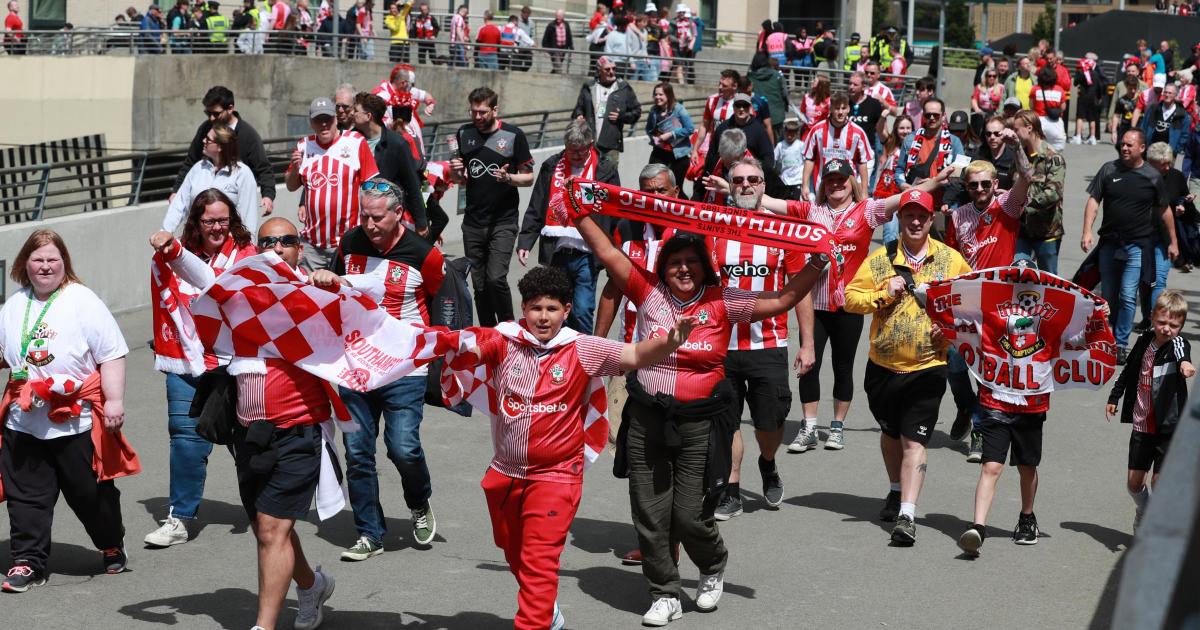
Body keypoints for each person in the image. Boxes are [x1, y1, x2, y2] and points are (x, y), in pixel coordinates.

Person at [573, 156, 826, 626]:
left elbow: (784, 298)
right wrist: (576, 208)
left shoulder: (723, 300)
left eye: (692, 262)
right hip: (647, 416)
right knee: (649, 511)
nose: (683, 269)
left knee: (690, 514)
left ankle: (712, 567)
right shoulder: (646, 291)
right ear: (663, 267)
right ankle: (664, 591)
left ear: (704, 268)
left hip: (699, 422)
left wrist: (817, 261)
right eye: (675, 263)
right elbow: (607, 254)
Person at [445, 265, 695, 630]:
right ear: (523, 310)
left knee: (538, 559)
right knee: (514, 551)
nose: (542, 317)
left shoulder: (582, 347)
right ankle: (547, 611)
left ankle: (534, 620)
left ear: (566, 310)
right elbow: (462, 347)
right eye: (535, 308)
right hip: (504, 474)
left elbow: (635, 355)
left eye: (551, 309)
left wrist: (670, 342)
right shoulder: (504, 341)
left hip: (557, 476)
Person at [220, 217, 349, 630]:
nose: (277, 247)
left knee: (273, 528)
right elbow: (200, 281)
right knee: (266, 525)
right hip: (250, 433)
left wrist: (334, 285)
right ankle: (311, 585)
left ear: (299, 248)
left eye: (286, 241)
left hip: (299, 430)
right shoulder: (241, 294)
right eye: (267, 241)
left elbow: (359, 317)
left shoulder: (315, 292)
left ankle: (264, 626)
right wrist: (172, 252)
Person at [0, 230, 136, 593]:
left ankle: (110, 542)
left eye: (52, 259)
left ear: (65, 264)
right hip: (24, 419)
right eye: (37, 259)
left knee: (90, 494)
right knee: (25, 496)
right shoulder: (14, 304)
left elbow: (111, 353)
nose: (45, 266)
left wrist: (115, 401)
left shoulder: (82, 300)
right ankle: (27, 562)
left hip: (74, 418)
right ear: (24, 264)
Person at [320, 177, 444, 561]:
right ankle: (369, 533)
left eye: (377, 218)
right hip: (356, 365)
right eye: (364, 216)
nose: (369, 225)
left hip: (405, 367)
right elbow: (334, 288)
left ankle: (419, 503)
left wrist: (441, 360)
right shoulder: (350, 242)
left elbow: (444, 303)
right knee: (357, 450)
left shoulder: (425, 254)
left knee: (402, 447)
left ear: (398, 214)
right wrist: (326, 280)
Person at [844, 187, 972, 545]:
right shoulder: (880, 259)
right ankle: (895, 488)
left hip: (928, 368)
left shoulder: (950, 260)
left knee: (913, 440)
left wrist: (947, 324)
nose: (915, 221)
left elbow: (971, 304)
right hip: (882, 368)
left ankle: (907, 516)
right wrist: (884, 292)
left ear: (932, 220)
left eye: (922, 216)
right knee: (890, 435)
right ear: (899, 219)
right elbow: (850, 299)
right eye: (908, 215)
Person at [143, 190, 257, 549]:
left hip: (232, 363)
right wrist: (171, 252)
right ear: (196, 221)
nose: (217, 227)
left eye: (223, 219)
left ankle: (265, 508)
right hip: (185, 361)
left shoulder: (246, 255)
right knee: (185, 437)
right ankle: (180, 517)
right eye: (209, 220)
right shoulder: (173, 257)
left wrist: (175, 252)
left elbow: (217, 284)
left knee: (247, 439)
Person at [956, 253, 1065, 557]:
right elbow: (959, 313)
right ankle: (978, 526)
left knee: (1027, 467)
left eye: (1027, 280)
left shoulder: (1050, 312)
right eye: (1015, 280)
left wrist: (1100, 310)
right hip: (995, 400)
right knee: (991, 465)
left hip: (1031, 403)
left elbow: (1078, 331)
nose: (1020, 285)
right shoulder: (989, 306)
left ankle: (1027, 517)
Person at [1081, 129, 1179, 360]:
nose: (1124, 148)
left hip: (1136, 246)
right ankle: (1109, 336)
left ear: (1142, 148)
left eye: (1129, 145)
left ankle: (1120, 343)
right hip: (1109, 245)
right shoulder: (1108, 169)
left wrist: (1173, 242)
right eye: (1122, 144)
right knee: (1109, 295)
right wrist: (1087, 231)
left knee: (1127, 295)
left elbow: (1165, 210)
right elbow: (1094, 199)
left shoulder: (1151, 176)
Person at [517, 120, 620, 334]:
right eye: (571, 150)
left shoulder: (605, 168)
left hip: (587, 253)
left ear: (590, 144)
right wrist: (525, 241)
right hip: (557, 252)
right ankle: (558, 356)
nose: (575, 156)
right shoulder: (551, 166)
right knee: (556, 309)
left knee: (582, 310)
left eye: (581, 151)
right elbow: (537, 206)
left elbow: (613, 209)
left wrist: (616, 249)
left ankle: (582, 356)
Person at [1106, 290, 1194, 534]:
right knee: (1134, 484)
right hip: (1142, 425)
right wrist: (1115, 396)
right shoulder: (1144, 341)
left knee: (1159, 482)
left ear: (1181, 326)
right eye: (1162, 322)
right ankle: (1144, 510)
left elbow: (1181, 351)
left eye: (1174, 325)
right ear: (1153, 317)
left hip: (1169, 426)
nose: (1167, 329)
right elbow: (1129, 371)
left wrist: (1185, 364)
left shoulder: (1178, 344)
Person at [449, 87, 535, 327]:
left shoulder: (513, 135)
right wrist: (455, 171)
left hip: (503, 221)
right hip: (473, 222)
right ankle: (487, 332)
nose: (477, 117)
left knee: (495, 278)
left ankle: (508, 326)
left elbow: (528, 178)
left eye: (483, 112)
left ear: (495, 110)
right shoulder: (464, 133)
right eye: (473, 111)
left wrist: (509, 179)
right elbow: (459, 179)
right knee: (479, 284)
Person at [285, 96, 380, 273]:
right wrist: (295, 169)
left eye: (327, 119)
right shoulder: (303, 145)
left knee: (346, 294)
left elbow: (371, 186)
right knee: (312, 295)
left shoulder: (355, 142)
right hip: (312, 245)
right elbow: (291, 186)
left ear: (336, 119)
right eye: (318, 120)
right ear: (311, 122)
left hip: (347, 242)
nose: (323, 124)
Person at [172, 86, 276, 218]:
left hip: (234, 205)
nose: (211, 118)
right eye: (208, 113)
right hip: (204, 205)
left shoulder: (247, 134)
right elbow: (190, 161)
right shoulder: (205, 129)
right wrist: (176, 190)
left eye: (216, 113)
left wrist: (267, 196)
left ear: (230, 108)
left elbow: (263, 169)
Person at [350, 92, 427, 236]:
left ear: (368, 116)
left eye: (355, 111)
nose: (352, 114)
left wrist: (421, 221)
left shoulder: (397, 144)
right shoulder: (349, 139)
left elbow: (412, 184)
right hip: (354, 215)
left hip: (383, 218)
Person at [163, 123, 259, 235]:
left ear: (220, 146)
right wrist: (165, 232)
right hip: (195, 241)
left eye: (208, 139)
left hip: (228, 244)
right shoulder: (198, 168)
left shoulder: (243, 173)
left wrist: (247, 248)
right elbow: (179, 204)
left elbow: (248, 215)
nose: (203, 141)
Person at [1013, 110, 1068, 276]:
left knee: (1048, 281)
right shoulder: (1019, 156)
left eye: (1017, 129)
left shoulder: (1053, 158)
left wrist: (1025, 206)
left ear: (1029, 128)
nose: (1015, 133)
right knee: (1017, 275)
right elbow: (1014, 184)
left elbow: (1053, 193)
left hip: (1047, 232)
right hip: (1022, 230)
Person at [571, 56, 642, 165]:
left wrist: (621, 116)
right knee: (588, 178)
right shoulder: (589, 87)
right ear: (599, 71)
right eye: (607, 69)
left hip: (610, 145)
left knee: (608, 178)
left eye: (614, 69)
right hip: (588, 143)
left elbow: (636, 111)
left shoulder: (623, 88)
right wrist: (579, 115)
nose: (611, 72)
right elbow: (578, 109)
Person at [801, 93, 873, 198]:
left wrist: (864, 190)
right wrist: (805, 186)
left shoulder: (858, 133)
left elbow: (862, 163)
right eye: (837, 108)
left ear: (848, 109)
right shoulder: (817, 130)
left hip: (848, 190)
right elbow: (809, 159)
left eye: (843, 108)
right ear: (830, 109)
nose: (840, 112)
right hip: (822, 188)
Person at [706, 94, 775, 178]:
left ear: (750, 107)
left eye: (745, 105)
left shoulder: (759, 130)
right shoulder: (723, 128)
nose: (741, 109)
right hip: (725, 176)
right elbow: (712, 154)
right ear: (733, 107)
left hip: (750, 178)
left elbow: (768, 159)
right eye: (738, 105)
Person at [644, 82, 695, 194]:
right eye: (656, 94)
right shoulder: (654, 111)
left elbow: (690, 129)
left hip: (678, 155)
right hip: (660, 152)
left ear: (668, 95)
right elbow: (648, 129)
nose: (657, 97)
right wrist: (655, 138)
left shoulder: (679, 109)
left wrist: (671, 134)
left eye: (661, 94)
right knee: (653, 183)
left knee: (675, 188)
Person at [1140, 83, 1193, 157]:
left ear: (1176, 95)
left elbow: (1185, 135)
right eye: (1165, 92)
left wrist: (1175, 150)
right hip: (1150, 150)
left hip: (1168, 154)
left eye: (1170, 93)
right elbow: (1143, 127)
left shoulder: (1182, 114)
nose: (1167, 95)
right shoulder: (1153, 109)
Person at [696, 69, 740, 153]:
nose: (720, 87)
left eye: (724, 85)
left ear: (734, 86)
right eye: (719, 83)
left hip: (733, 151)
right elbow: (704, 126)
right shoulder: (711, 100)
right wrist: (695, 149)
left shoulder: (741, 104)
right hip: (714, 149)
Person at [1072, 54, 1107, 145]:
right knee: (1092, 118)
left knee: (1080, 117)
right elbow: (1099, 87)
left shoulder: (1081, 73)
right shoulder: (1095, 74)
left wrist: (1078, 74)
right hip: (1093, 98)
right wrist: (1099, 97)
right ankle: (1092, 137)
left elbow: (1075, 83)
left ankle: (1078, 136)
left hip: (1083, 97)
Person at [1031, 66, 1067, 151]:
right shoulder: (1059, 90)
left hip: (1039, 121)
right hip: (1055, 123)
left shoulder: (1035, 89)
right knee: (1056, 150)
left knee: (1038, 150)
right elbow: (1063, 107)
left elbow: (1031, 106)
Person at [775, 118, 806, 200]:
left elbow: (806, 162)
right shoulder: (780, 145)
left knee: (797, 202)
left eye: (792, 134)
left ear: (797, 133)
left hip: (797, 180)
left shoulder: (801, 145)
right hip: (785, 180)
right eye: (787, 133)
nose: (789, 136)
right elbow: (774, 160)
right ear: (784, 132)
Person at [1111, 73, 1142, 148]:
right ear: (1126, 86)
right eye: (1130, 88)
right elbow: (1116, 116)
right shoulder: (1121, 100)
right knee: (1121, 148)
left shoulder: (1141, 99)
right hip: (1124, 128)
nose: (1133, 91)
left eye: (1135, 88)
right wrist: (1114, 132)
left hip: (1139, 128)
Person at [972, 68, 1005, 137]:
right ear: (986, 76)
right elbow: (974, 99)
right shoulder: (979, 87)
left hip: (995, 112)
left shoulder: (1001, 87)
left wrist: (999, 112)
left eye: (994, 76)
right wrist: (977, 109)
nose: (992, 78)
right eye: (989, 76)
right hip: (981, 112)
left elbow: (1003, 101)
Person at [541, 9, 574, 74]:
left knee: (557, 65)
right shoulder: (551, 25)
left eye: (559, 16)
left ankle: (551, 76)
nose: (557, 18)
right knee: (558, 67)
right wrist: (546, 50)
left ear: (563, 16)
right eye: (556, 16)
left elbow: (569, 36)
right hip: (554, 49)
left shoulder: (566, 24)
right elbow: (545, 38)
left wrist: (571, 48)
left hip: (563, 49)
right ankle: (559, 79)